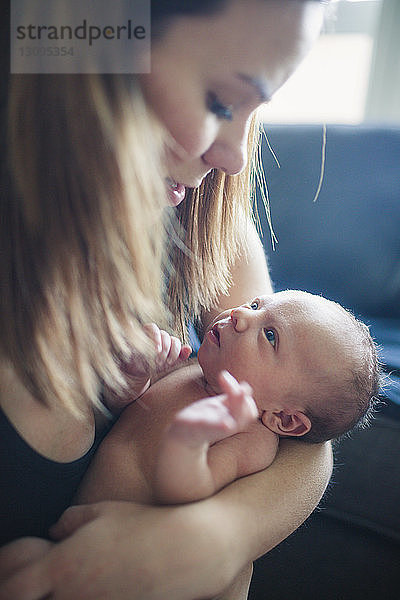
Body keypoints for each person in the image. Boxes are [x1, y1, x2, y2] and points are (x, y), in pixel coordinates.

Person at [0, 1, 334, 599]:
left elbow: (307, 420)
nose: (233, 156)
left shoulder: (200, 214)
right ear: (88, 38)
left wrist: (212, 542)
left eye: (252, 112)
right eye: (219, 101)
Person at [76, 290, 380, 508]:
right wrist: (134, 374)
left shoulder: (249, 438)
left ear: (285, 418)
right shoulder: (193, 368)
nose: (241, 314)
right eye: (256, 303)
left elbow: (184, 494)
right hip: (76, 521)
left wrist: (190, 439)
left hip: (123, 549)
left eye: (270, 335)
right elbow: (118, 412)